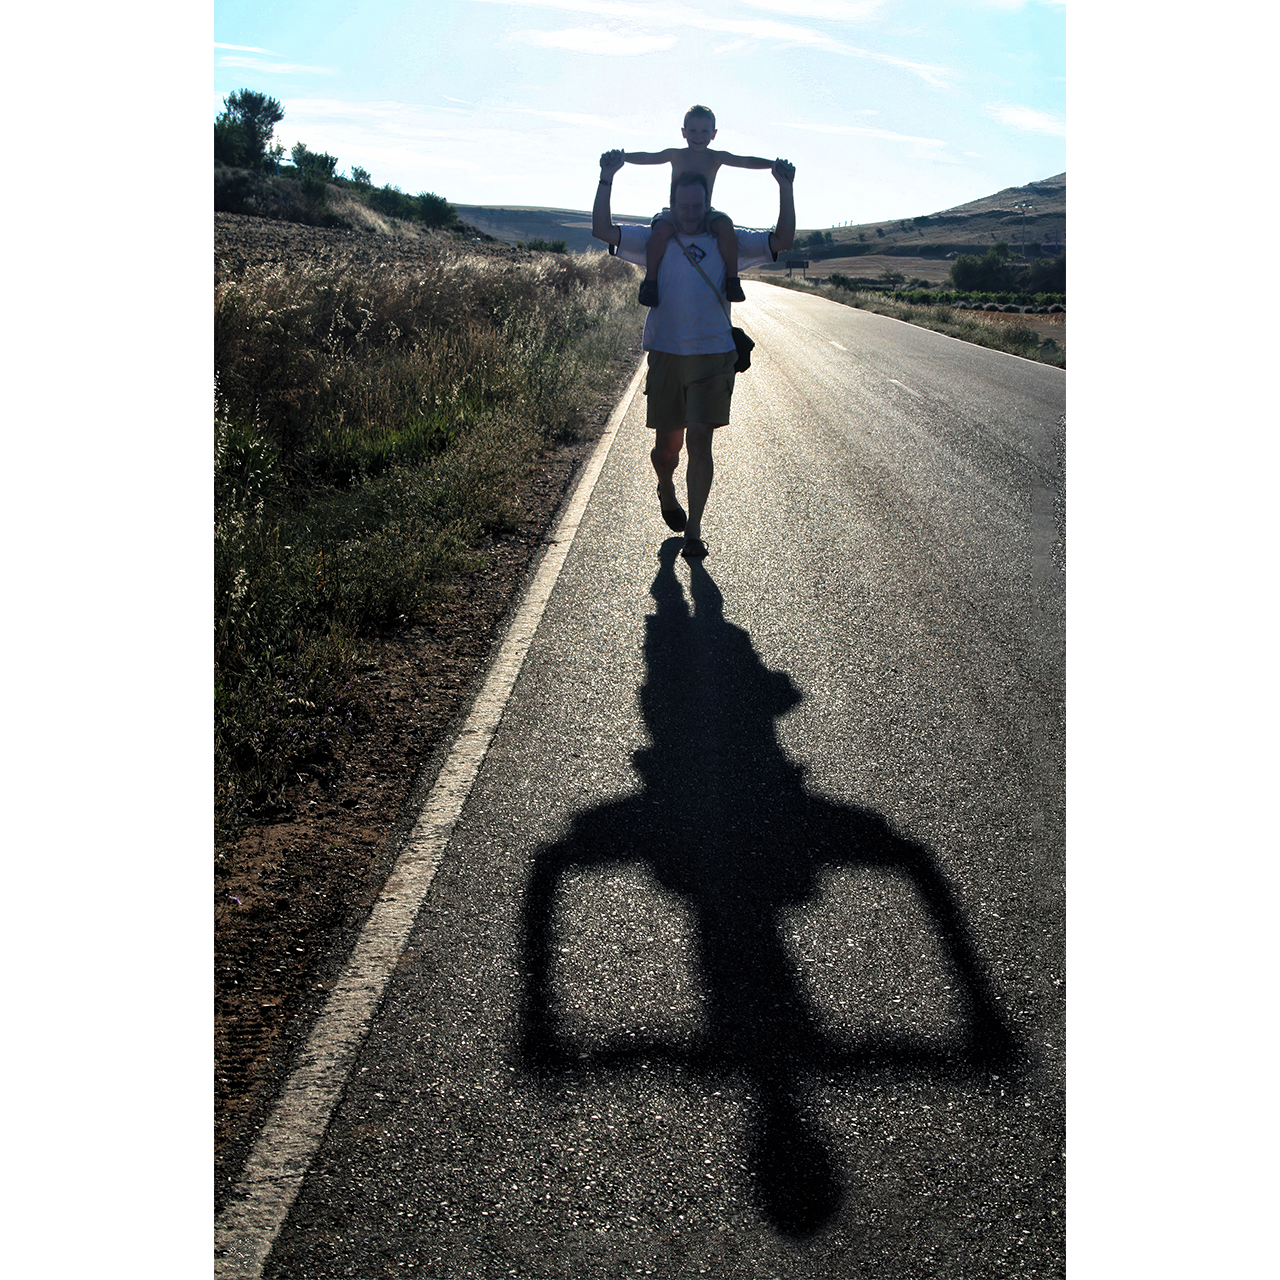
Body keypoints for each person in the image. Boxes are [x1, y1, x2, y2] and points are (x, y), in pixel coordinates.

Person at [592, 147, 796, 559]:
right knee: (667, 450)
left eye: (697, 206)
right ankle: (665, 487)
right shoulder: (654, 237)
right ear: (672, 204)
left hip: (714, 355)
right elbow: (602, 230)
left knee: (701, 440)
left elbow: (783, 240)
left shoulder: (727, 240)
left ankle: (694, 532)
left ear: (708, 204)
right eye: (683, 206)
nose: (690, 214)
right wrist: (607, 178)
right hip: (667, 354)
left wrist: (785, 187)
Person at [617, 104, 777, 308]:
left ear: (714, 134)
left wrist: (773, 164)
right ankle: (650, 282)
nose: (698, 136)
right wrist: (624, 157)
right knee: (661, 230)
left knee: (725, 225)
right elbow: (649, 157)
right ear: (683, 132)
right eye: (693, 130)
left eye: (704, 131)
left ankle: (732, 280)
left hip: (705, 213)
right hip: (676, 213)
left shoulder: (716, 157)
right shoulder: (675, 155)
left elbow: (745, 161)